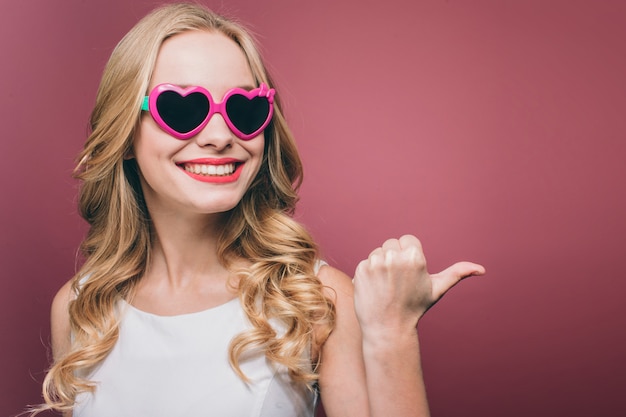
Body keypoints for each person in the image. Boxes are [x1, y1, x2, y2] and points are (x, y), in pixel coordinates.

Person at [35, 3, 485, 416]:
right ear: (124, 132)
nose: (219, 135)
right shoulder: (79, 308)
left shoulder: (317, 299)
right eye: (182, 107)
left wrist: (392, 333)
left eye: (243, 109)